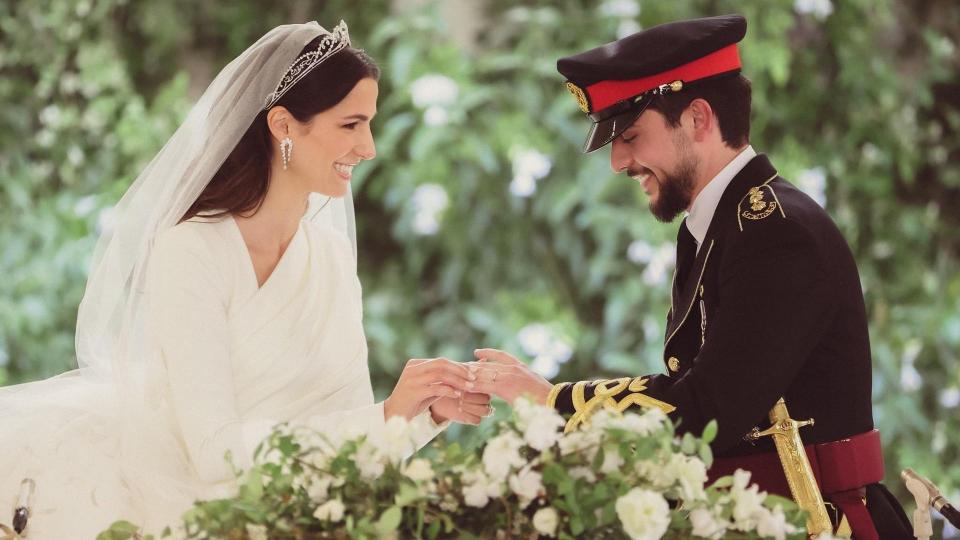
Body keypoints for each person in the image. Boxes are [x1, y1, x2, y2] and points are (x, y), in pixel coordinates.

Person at [0, 21, 489, 538]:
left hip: (298, 510)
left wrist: (423, 417)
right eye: (350, 125)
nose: (368, 148)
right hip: (194, 509)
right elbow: (215, 456)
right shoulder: (191, 252)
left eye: (369, 124)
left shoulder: (330, 255)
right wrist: (386, 415)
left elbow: (347, 437)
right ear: (282, 125)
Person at [470, 14, 912, 539]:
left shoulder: (776, 232)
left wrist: (553, 402)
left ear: (698, 119)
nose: (618, 162)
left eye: (631, 135)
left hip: (817, 521)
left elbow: (707, 408)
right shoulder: (724, 225)